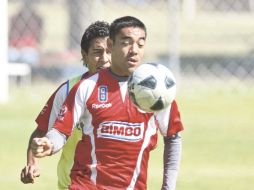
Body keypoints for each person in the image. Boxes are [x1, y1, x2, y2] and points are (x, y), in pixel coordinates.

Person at [31, 16, 184, 190]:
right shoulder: (87, 87)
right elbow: (60, 131)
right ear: (111, 45)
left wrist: (168, 187)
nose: (134, 50)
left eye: (140, 44)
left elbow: (173, 138)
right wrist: (50, 144)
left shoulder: (159, 90)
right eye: (126, 43)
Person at [20, 21, 111, 190]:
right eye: (97, 52)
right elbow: (41, 131)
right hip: (74, 184)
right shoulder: (69, 90)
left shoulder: (131, 90)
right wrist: (32, 163)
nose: (105, 59)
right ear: (84, 55)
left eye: (110, 52)